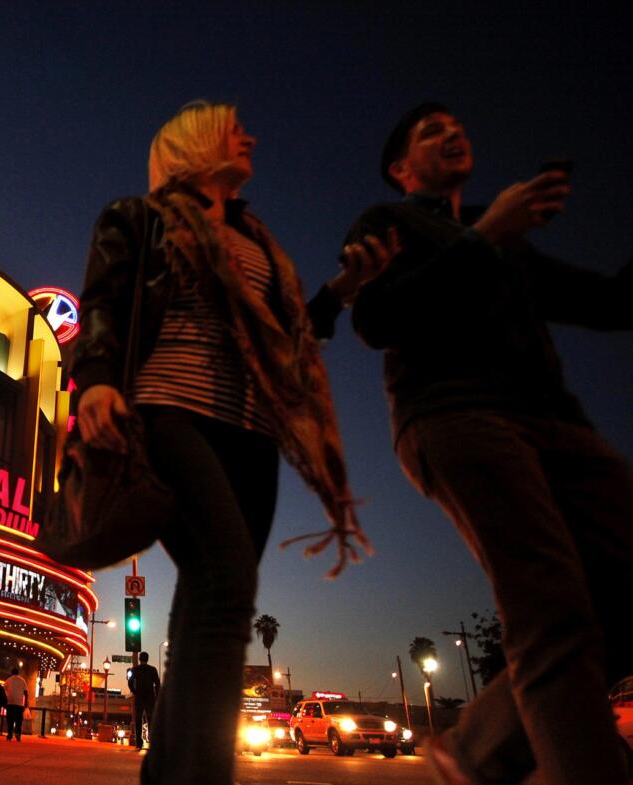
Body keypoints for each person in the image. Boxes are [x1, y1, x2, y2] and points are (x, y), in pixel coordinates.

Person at [72, 101, 390, 785]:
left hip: (252, 435)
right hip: (167, 414)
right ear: (192, 144)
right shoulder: (139, 216)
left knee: (206, 593)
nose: (250, 134)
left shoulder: (258, 239)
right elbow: (103, 299)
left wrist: (342, 290)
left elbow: (288, 334)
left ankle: (171, 771)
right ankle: (201, 772)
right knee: (227, 581)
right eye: (233, 125)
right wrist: (95, 379)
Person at [344, 103, 633, 785]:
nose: (453, 132)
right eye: (429, 130)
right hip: (454, 414)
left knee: (612, 596)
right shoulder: (390, 223)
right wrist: (484, 238)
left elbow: (610, 302)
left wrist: (494, 233)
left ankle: (479, 744)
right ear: (400, 166)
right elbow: (376, 316)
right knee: (550, 604)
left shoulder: (504, 234)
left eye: (458, 124)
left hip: (558, 421)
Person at [127, 652, 159, 748]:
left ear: (140, 659)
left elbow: (130, 682)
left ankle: (139, 743)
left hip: (139, 697)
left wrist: (134, 691)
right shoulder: (153, 670)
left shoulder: (135, 670)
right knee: (151, 719)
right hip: (150, 697)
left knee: (138, 719)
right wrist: (157, 695)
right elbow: (157, 683)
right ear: (147, 659)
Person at [3, 667, 28, 741]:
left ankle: (10, 735)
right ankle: (18, 734)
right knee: (19, 721)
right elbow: (26, 692)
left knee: (10, 720)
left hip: (10, 703)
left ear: (12, 673)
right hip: (19, 704)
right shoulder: (22, 680)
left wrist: (5, 701)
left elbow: (3, 691)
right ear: (18, 673)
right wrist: (26, 703)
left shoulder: (8, 680)